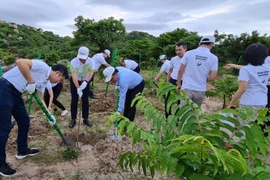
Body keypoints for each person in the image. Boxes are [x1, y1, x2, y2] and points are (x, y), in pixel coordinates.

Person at [0, 59, 68, 176]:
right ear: (57, 73)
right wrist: (31, 82)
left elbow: (41, 99)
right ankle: (1, 164)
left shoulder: (45, 82)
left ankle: (22, 151)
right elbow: (20, 62)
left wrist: (49, 115)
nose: (58, 82)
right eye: (60, 79)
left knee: (24, 121)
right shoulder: (42, 66)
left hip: (16, 93)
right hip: (4, 88)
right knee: (5, 127)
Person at [177, 35, 218, 107]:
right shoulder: (214, 58)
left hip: (187, 88)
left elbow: (181, 70)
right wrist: (202, 79)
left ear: (200, 43)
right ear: (212, 44)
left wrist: (178, 84)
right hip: (200, 90)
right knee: (195, 113)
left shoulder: (189, 53)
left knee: (183, 112)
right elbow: (213, 77)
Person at [69, 46, 95, 128]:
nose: (82, 60)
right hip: (75, 81)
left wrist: (86, 82)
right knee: (74, 100)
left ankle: (85, 118)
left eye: (84, 58)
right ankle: (73, 119)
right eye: (81, 58)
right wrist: (78, 88)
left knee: (85, 100)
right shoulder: (73, 62)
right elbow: (73, 76)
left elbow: (91, 74)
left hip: (85, 81)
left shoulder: (91, 61)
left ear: (87, 55)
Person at [165, 42, 187, 118]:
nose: (178, 52)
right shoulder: (174, 59)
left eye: (179, 50)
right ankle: (167, 116)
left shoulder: (189, 58)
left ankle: (177, 118)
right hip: (172, 80)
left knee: (180, 101)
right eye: (176, 50)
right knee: (168, 99)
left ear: (185, 49)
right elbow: (170, 70)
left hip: (183, 82)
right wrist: (168, 81)